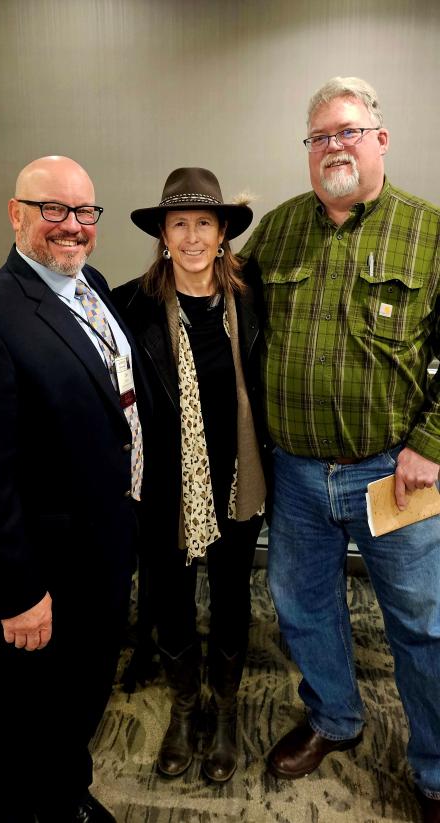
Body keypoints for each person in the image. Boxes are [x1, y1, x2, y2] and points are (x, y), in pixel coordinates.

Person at [239, 76, 440, 822]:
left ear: (380, 140)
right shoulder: (282, 229)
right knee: (303, 605)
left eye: (349, 131)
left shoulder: (429, 231)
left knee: (421, 621)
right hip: (294, 473)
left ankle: (436, 768)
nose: (335, 146)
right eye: (321, 136)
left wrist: (431, 442)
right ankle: (335, 716)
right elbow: (223, 307)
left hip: (394, 472)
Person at [0, 155, 148, 823]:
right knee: (17, 730)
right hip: (38, 578)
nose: (72, 225)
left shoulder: (87, 281)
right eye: (53, 210)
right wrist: (15, 594)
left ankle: (65, 792)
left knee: (76, 700)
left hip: (98, 553)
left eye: (84, 212)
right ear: (16, 214)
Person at [113, 168, 267, 783]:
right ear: (164, 236)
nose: (193, 236)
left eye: (205, 222)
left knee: (232, 596)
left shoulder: (254, 299)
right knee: (170, 601)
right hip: (164, 493)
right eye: (180, 224)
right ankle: (184, 708)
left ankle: (225, 711)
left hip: (238, 484)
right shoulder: (131, 305)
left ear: (223, 230)